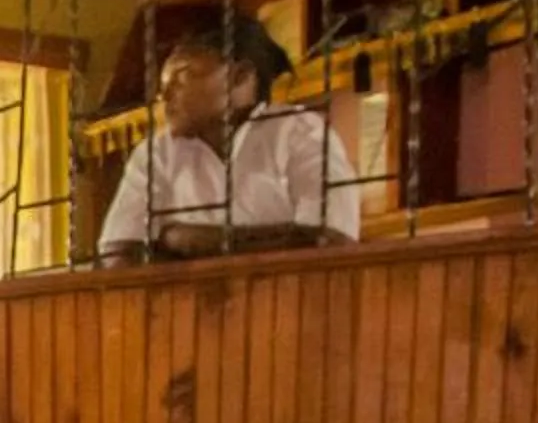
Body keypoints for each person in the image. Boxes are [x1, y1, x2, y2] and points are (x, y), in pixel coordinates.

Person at [97, 14, 361, 262]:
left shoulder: (300, 132)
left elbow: (332, 239)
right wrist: (278, 239)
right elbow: (119, 254)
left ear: (240, 77)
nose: (164, 97)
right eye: (163, 85)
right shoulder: (156, 153)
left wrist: (182, 239)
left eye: (183, 76)